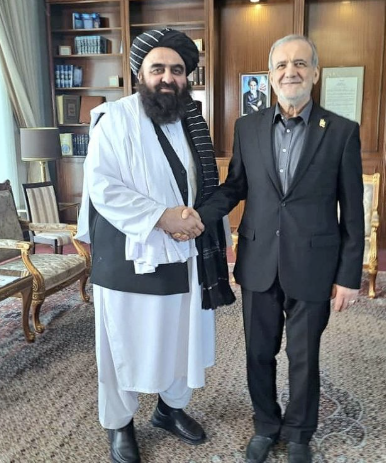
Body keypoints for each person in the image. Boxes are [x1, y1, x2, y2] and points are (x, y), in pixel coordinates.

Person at [196, 35, 365, 463]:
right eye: (282, 65)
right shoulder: (247, 127)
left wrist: (349, 276)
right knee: (258, 352)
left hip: (314, 264)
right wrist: (197, 216)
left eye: (300, 64)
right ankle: (266, 425)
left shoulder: (342, 132)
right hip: (258, 261)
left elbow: (353, 210)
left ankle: (300, 434)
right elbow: (235, 186)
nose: (291, 71)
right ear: (270, 76)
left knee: (304, 357)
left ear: (315, 73)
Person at [76, 28, 235, 463]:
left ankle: (169, 409)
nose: (168, 77)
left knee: (181, 337)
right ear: (140, 74)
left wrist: (193, 221)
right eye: (158, 68)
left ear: (187, 77)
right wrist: (161, 217)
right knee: (123, 343)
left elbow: (202, 185)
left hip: (186, 251)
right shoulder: (113, 119)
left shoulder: (192, 123)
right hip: (130, 254)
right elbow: (103, 187)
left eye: (177, 69)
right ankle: (119, 423)